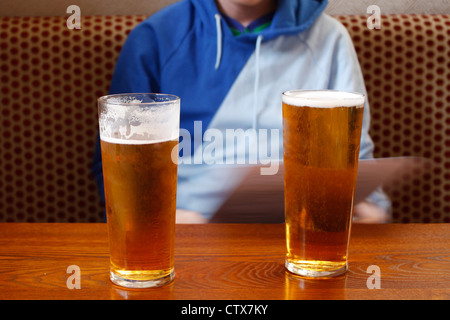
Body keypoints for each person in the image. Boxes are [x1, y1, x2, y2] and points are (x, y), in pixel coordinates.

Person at [91, 0, 391, 224]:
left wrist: (370, 207)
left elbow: (355, 155)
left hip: (302, 228)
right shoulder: (156, 38)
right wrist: (159, 220)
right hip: (188, 229)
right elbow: (117, 166)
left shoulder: (331, 40)